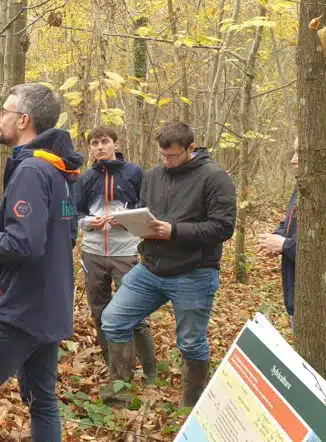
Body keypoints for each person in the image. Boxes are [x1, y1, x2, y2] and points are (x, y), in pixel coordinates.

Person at [0, 83, 82, 442]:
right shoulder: (60, 171)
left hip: (22, 308)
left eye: (4, 112)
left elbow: (24, 244)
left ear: (24, 120)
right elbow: (67, 235)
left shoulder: (32, 171)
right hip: (51, 303)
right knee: (42, 399)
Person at [100, 121, 236, 407]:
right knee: (113, 320)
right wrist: (132, 223)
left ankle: (191, 407)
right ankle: (117, 399)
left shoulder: (214, 177)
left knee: (191, 343)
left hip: (194, 272)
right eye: (162, 155)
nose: (166, 161)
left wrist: (174, 231)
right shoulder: (153, 175)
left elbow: (223, 227)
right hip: (150, 267)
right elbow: (145, 211)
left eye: (172, 155)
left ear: (190, 148)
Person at [256, 131, 326, 373]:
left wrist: (285, 245)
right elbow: (291, 222)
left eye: (301, 153)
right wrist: (276, 238)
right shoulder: (309, 185)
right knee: (309, 375)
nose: (293, 160)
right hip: (301, 300)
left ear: (325, 157)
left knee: (309, 375)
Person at [75, 126, 157, 385]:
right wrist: (88, 222)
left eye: (104, 141)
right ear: (90, 148)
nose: (100, 147)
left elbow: (148, 208)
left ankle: (150, 372)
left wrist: (126, 220)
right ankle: (116, 369)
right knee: (99, 312)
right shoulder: (85, 179)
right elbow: (75, 213)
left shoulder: (134, 173)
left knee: (135, 313)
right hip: (93, 253)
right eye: (94, 143)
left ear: (115, 144)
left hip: (126, 252)